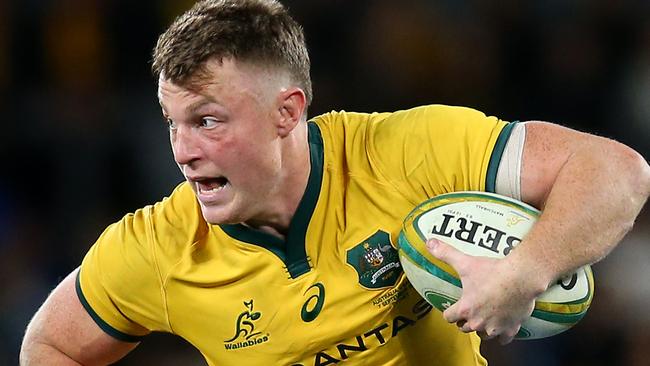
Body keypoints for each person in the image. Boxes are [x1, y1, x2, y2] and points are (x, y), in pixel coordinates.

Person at [20, 0, 650, 365]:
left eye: (208, 121)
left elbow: (616, 171)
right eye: (172, 123)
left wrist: (525, 270)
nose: (183, 152)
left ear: (287, 112)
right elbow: (51, 344)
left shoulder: (405, 151)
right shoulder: (158, 248)